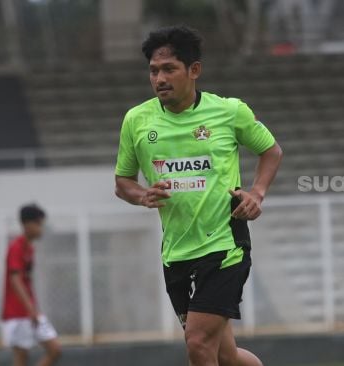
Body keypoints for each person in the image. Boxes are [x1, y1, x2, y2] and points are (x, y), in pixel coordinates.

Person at [114, 25, 283, 366]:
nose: (159, 78)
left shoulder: (230, 111)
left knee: (197, 343)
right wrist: (141, 195)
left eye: (168, 69)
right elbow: (122, 182)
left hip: (224, 246)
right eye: (153, 71)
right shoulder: (136, 120)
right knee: (226, 354)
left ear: (194, 70)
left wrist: (257, 193)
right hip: (176, 252)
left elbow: (271, 151)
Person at [1, 204, 61, 366]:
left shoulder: (29, 249)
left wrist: (33, 309)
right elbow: (15, 280)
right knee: (21, 358)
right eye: (39, 224)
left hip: (29, 311)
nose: (41, 229)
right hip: (17, 313)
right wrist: (30, 309)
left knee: (55, 349)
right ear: (27, 224)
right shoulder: (16, 247)